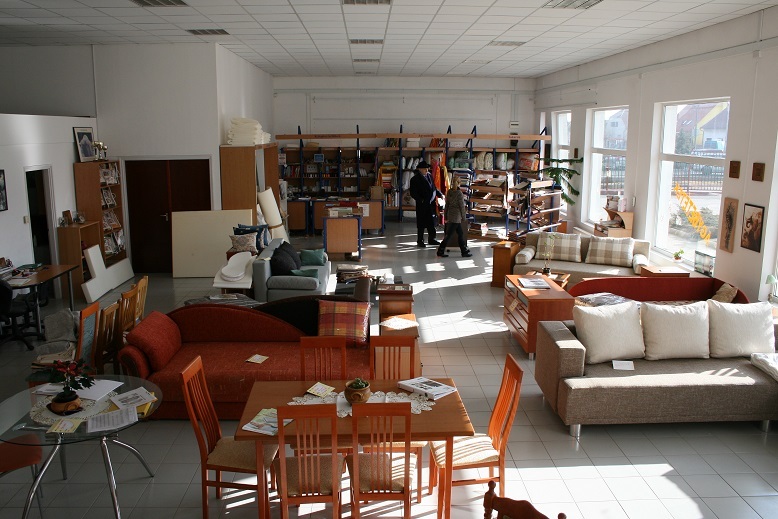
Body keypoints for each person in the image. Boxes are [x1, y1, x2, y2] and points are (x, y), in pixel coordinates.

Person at [408, 160, 442, 247]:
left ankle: (432, 239)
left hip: (431, 204)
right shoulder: (414, 179)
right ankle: (420, 240)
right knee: (421, 223)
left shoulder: (429, 175)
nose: (426, 170)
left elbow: (433, 187)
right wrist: (421, 200)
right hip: (422, 204)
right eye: (424, 169)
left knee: (432, 222)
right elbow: (413, 193)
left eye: (427, 168)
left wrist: (440, 194)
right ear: (420, 169)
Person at [436, 176, 472, 258]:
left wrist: (446, 216)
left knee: (460, 233)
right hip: (457, 216)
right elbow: (461, 207)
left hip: (450, 214)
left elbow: (447, 205)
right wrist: (464, 217)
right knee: (449, 235)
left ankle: (464, 250)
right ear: (459, 183)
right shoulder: (459, 193)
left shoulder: (449, 192)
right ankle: (440, 250)